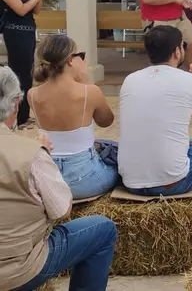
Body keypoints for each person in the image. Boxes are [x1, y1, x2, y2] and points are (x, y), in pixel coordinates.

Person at [0, 66, 117, 291]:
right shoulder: (32, 153)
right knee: (104, 229)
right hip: (19, 270)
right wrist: (43, 155)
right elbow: (61, 210)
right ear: (16, 104)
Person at [117, 25, 192, 239]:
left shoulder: (129, 80)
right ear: (177, 51)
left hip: (131, 183)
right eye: (183, 45)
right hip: (171, 183)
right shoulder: (190, 81)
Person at [29, 34, 119, 200]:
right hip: (85, 181)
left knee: (103, 144)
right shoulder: (89, 91)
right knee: (118, 159)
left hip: (50, 180)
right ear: (70, 60)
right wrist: (85, 83)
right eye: (81, 56)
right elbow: (107, 121)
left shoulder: (32, 94)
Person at [0, 0, 53, 127]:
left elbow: (35, 10)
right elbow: (21, 10)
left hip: (28, 33)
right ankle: (17, 116)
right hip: (15, 33)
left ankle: (24, 114)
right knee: (19, 73)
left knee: (27, 73)